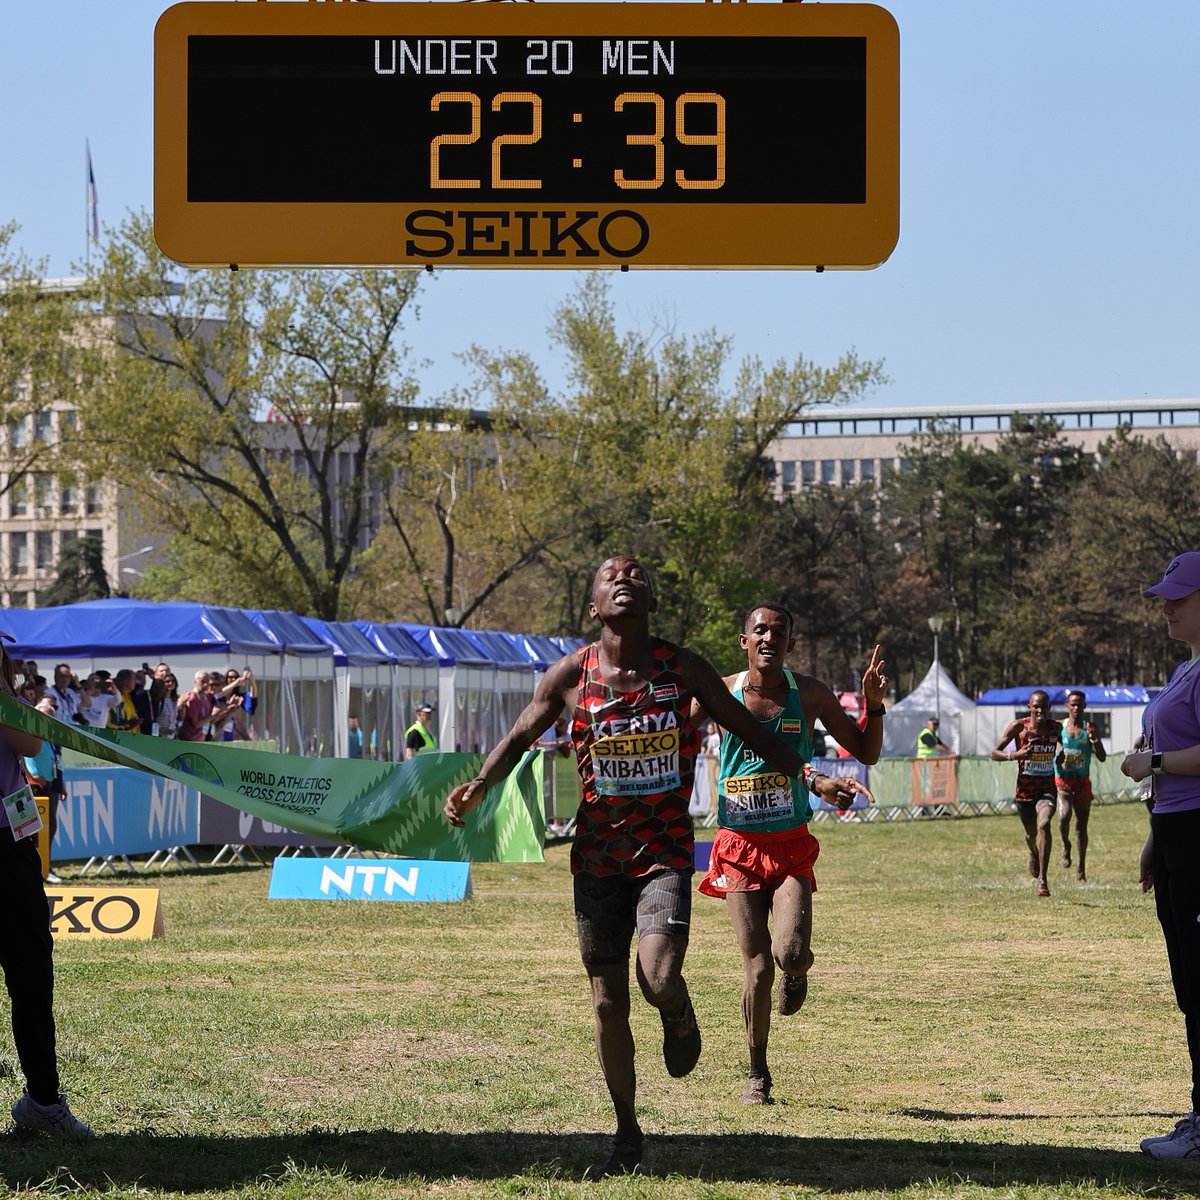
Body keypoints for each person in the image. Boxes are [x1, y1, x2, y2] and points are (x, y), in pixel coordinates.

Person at [444, 556, 832, 1180]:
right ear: (594, 606)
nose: (625, 578)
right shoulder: (573, 674)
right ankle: (626, 1130)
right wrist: (481, 782)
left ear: (651, 600)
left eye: (638, 574)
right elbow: (521, 732)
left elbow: (751, 732)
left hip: (664, 856)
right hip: (598, 860)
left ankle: (676, 1009)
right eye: (610, 575)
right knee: (605, 1002)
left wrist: (813, 774)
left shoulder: (685, 670)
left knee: (655, 978)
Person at [693, 604, 882, 1105]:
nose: (769, 638)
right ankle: (757, 1072)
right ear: (744, 641)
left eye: (779, 632)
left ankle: (797, 974)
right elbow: (669, 733)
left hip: (791, 844)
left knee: (789, 954)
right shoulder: (721, 691)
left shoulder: (811, 694)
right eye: (760, 630)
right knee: (756, 966)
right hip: (738, 845)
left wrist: (874, 705)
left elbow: (865, 750)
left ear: (790, 645)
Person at [1121, 552, 1200, 1159]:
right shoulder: (1183, 670)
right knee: (1189, 983)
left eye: (1179, 596)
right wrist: (1154, 839)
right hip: (1175, 836)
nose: (1166, 606)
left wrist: (1156, 764)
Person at [0, 633, 93, 1138]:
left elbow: (29, 745)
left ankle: (42, 1100)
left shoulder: (8, 703)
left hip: (11, 847)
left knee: (32, 974)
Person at [991, 690, 1062, 897]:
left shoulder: (1055, 727)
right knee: (1031, 834)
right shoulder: (1019, 727)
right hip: (1024, 792)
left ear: (1049, 708)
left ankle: (1043, 879)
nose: (1040, 710)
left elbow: (1062, 745)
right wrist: (1015, 755)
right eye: (1036, 706)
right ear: (1029, 707)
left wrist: (1061, 755)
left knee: (1045, 824)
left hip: (1047, 789)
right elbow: (994, 753)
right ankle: (1033, 852)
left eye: (1044, 706)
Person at [1055, 689, 1106, 882]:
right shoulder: (1060, 726)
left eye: (1080, 704)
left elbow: (1101, 757)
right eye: (1073, 704)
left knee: (1081, 827)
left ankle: (1081, 868)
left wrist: (1095, 740)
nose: (1076, 708)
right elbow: (1053, 744)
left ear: (1084, 707)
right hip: (1063, 782)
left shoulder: (1090, 728)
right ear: (1067, 706)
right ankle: (1065, 846)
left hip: (1082, 783)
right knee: (1063, 816)